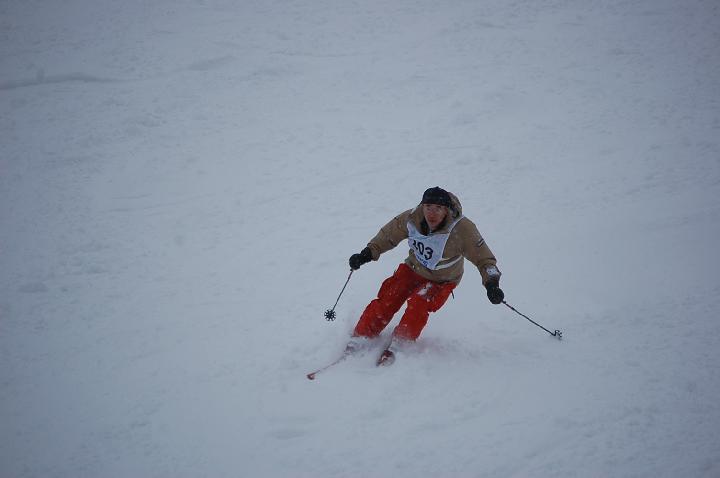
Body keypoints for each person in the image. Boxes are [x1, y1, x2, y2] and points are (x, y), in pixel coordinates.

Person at [347, 186, 504, 365]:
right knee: (389, 296)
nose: (432, 213)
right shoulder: (412, 218)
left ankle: (401, 344)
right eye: (428, 207)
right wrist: (367, 253)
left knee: (419, 303)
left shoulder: (462, 229)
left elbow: (485, 259)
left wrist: (492, 284)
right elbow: (388, 235)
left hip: (442, 280)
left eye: (438, 208)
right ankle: (362, 335)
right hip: (413, 269)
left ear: (446, 210)